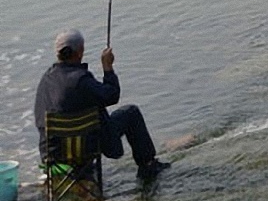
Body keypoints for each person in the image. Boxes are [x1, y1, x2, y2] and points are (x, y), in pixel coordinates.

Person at [34, 29, 169, 181]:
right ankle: (148, 166)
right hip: (85, 151)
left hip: (53, 154)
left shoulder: (46, 80)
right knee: (131, 112)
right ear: (80, 52)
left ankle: (77, 175)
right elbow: (112, 95)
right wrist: (107, 67)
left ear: (57, 53)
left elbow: (39, 118)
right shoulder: (81, 80)